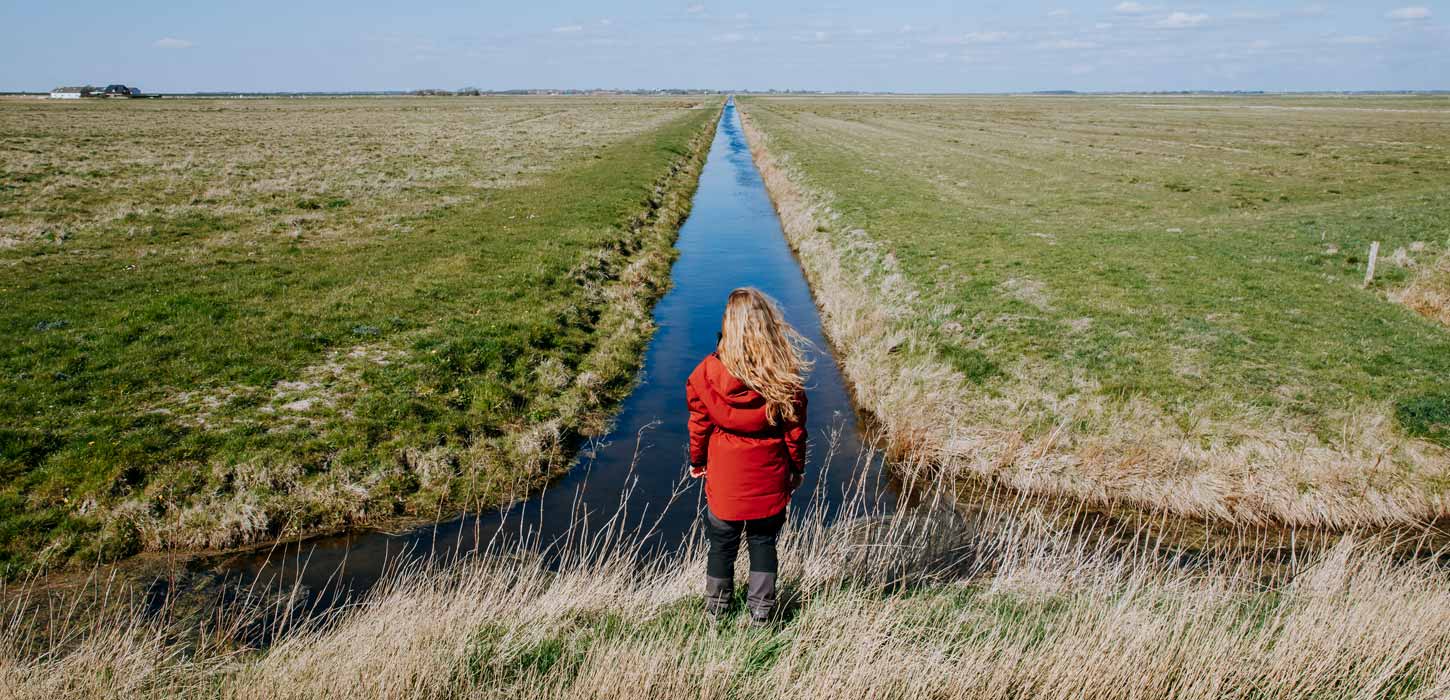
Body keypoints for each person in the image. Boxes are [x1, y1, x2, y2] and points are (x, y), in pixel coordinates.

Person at [686, 287, 811, 624]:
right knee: (763, 542)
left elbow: (698, 424)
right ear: (767, 326)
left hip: (726, 475)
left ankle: (716, 612)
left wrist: (698, 461)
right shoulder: (784, 379)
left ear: (728, 326)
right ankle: (762, 613)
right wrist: (796, 468)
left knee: (721, 544)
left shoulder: (706, 374)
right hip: (769, 473)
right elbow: (795, 433)